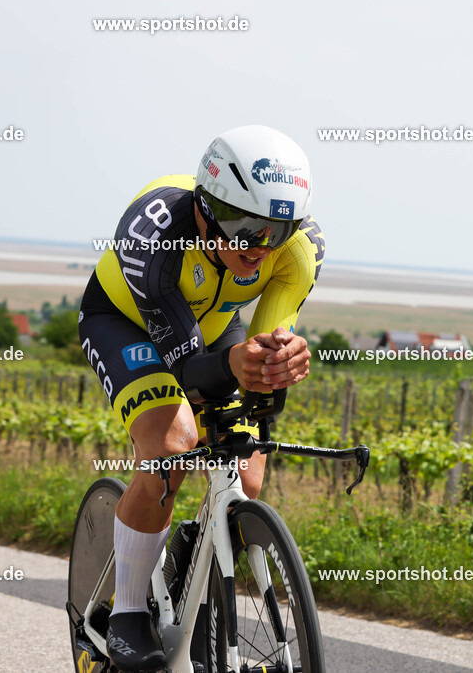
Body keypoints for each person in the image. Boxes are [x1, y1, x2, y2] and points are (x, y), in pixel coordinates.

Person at [78, 125, 324, 670]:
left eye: (275, 230)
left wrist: (276, 362)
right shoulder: (158, 233)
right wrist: (235, 366)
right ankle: (128, 612)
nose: (257, 247)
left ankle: (199, 564)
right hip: (126, 324)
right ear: (206, 207)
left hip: (214, 329)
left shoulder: (299, 251)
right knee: (173, 443)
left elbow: (262, 347)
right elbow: (189, 372)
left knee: (247, 477)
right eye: (241, 227)